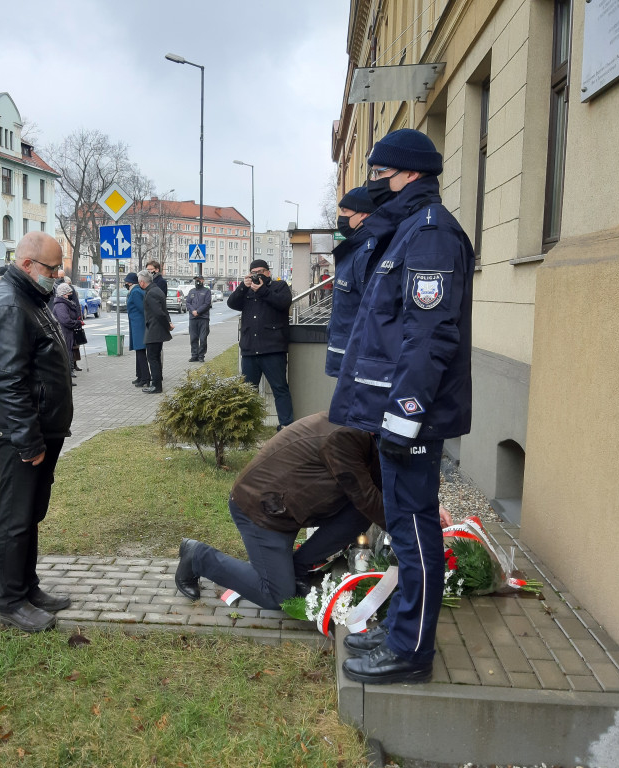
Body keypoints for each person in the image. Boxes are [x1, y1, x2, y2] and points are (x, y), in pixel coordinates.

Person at [330, 128, 475, 686]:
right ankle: (399, 629)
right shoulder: (409, 228)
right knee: (406, 529)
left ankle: (411, 651)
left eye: (381, 174)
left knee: (415, 532)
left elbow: (429, 336)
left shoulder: (431, 234)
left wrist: (405, 415)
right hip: (398, 410)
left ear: (411, 173)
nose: (375, 184)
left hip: (413, 415)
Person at [174, 412, 385, 610]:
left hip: (289, 508)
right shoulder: (345, 436)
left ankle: (298, 568)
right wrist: (403, 535)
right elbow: (367, 496)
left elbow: (375, 491)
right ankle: (198, 557)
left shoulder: (359, 426)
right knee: (277, 595)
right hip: (263, 513)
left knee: (359, 515)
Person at [0, 231, 74, 633]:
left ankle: (27, 587)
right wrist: (28, 439)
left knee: (30, 513)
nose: (57, 275)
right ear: (27, 265)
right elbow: (9, 380)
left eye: (58, 268)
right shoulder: (10, 304)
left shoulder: (30, 297)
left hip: (39, 427)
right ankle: (10, 602)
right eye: (52, 268)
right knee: (15, 517)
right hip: (21, 433)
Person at [226, 258, 294, 429]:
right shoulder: (247, 290)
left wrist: (262, 290)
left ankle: (286, 426)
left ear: (268, 273)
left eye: (260, 272)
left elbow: (284, 303)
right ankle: (246, 427)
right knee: (247, 392)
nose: (257, 275)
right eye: (253, 273)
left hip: (273, 349)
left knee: (280, 388)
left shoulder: (279, 286)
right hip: (250, 349)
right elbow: (232, 303)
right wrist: (243, 286)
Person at [325, 186, 385, 377]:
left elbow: (371, 309)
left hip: (357, 360)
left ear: (363, 214)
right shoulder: (354, 249)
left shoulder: (368, 251)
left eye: (345, 211)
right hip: (347, 356)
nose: (340, 217)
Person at [139, 269, 172, 394]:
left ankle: (156, 386)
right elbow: (164, 310)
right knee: (156, 358)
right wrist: (168, 323)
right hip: (157, 329)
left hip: (154, 329)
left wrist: (167, 325)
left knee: (153, 358)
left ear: (142, 282)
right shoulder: (157, 290)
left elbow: (159, 313)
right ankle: (157, 384)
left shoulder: (151, 293)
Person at [51, 283, 82, 387]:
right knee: (66, 354)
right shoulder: (61, 305)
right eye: (68, 292)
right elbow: (65, 321)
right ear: (63, 293)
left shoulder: (66, 303)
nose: (70, 294)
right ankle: (66, 378)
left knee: (68, 353)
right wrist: (77, 323)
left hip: (67, 332)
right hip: (64, 332)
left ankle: (68, 376)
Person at [124, 271, 150, 387]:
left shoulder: (135, 292)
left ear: (131, 283)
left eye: (127, 282)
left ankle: (145, 378)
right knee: (139, 351)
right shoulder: (136, 291)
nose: (125, 284)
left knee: (140, 351)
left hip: (139, 325)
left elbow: (142, 308)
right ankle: (140, 376)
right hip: (137, 324)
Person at [186, 275, 212, 362]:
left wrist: (198, 311)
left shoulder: (206, 291)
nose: (197, 281)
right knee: (193, 338)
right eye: (196, 280)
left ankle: (201, 355)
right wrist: (193, 311)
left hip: (203, 318)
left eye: (199, 280)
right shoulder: (191, 291)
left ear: (203, 281)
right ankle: (194, 355)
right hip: (193, 318)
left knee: (203, 338)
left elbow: (207, 303)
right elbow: (188, 303)